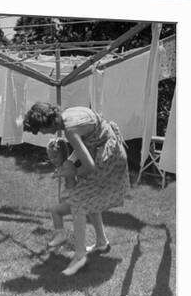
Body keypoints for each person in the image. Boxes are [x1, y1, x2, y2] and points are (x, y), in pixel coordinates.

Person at [24, 103, 130, 275]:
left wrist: (69, 172)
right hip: (109, 153)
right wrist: (70, 163)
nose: (42, 133)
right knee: (88, 198)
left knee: (79, 200)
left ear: (47, 123)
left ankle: (80, 255)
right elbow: (88, 144)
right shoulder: (68, 115)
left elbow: (89, 166)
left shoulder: (70, 130)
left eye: (41, 129)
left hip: (108, 158)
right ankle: (101, 242)